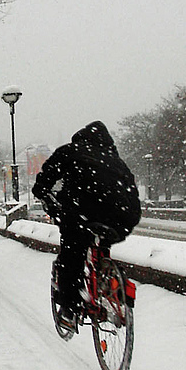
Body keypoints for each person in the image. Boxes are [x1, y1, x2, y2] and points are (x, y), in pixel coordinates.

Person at [32, 121, 141, 329]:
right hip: (124, 218)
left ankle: (69, 311)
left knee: (72, 254)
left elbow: (44, 181)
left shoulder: (70, 152)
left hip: (83, 212)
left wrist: (43, 193)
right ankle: (108, 284)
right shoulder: (117, 161)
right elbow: (131, 192)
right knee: (101, 245)